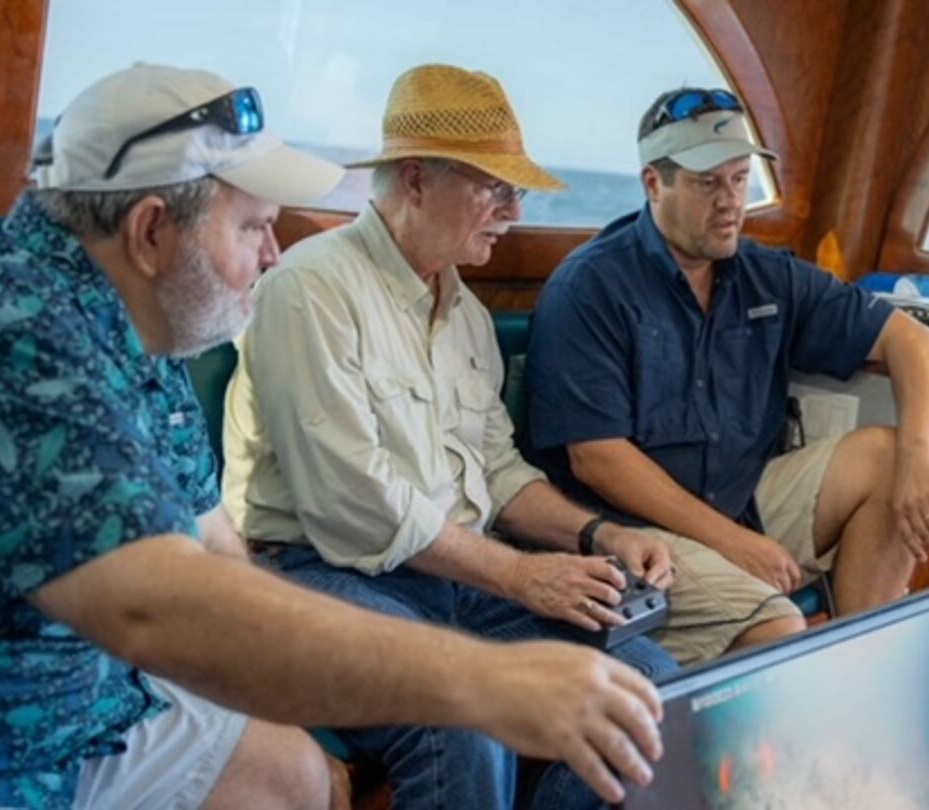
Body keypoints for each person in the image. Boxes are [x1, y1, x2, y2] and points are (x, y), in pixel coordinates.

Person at [0, 64, 663, 809]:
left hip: (103, 700)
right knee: (451, 729)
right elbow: (160, 609)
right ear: (150, 230)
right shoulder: (10, 334)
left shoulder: (138, 323)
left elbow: (214, 548)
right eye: (254, 227)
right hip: (9, 741)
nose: (272, 255)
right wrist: (487, 680)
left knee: (297, 774)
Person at [222, 64, 677, 809]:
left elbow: (497, 470)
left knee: (647, 691)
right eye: (493, 187)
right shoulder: (310, 289)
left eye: (516, 190)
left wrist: (596, 535)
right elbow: (353, 504)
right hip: (321, 575)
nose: (512, 210)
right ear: (414, 181)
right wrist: (523, 575)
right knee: (468, 723)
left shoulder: (463, 312)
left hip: (453, 573)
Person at [527, 87, 929, 666]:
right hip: (633, 533)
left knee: (888, 458)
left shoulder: (766, 276)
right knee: (778, 629)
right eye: (708, 183)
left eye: (739, 178)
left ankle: (862, 665)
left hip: (741, 499)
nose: (730, 201)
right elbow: (597, 458)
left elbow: (914, 340)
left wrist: (919, 452)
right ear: (654, 184)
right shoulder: (590, 288)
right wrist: (732, 543)